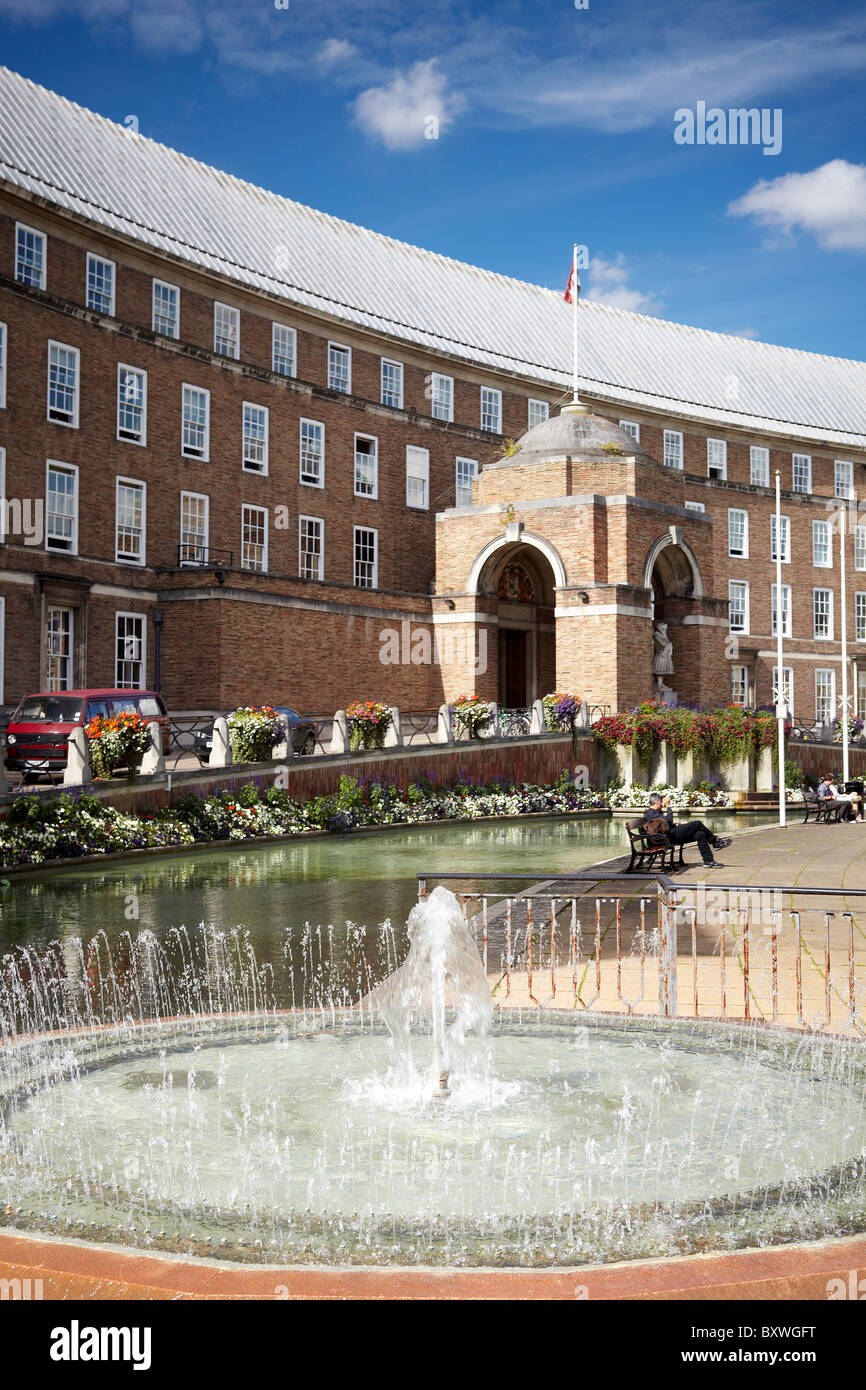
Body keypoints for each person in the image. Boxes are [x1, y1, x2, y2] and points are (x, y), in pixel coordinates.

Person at [638, 793, 731, 868]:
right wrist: (668, 806)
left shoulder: (654, 813)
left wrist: (677, 824)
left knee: (700, 834)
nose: (662, 804)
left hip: (669, 835)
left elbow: (665, 824)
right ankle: (715, 841)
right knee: (697, 823)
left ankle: (708, 861)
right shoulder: (651, 814)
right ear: (656, 802)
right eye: (661, 802)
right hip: (668, 838)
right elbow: (668, 820)